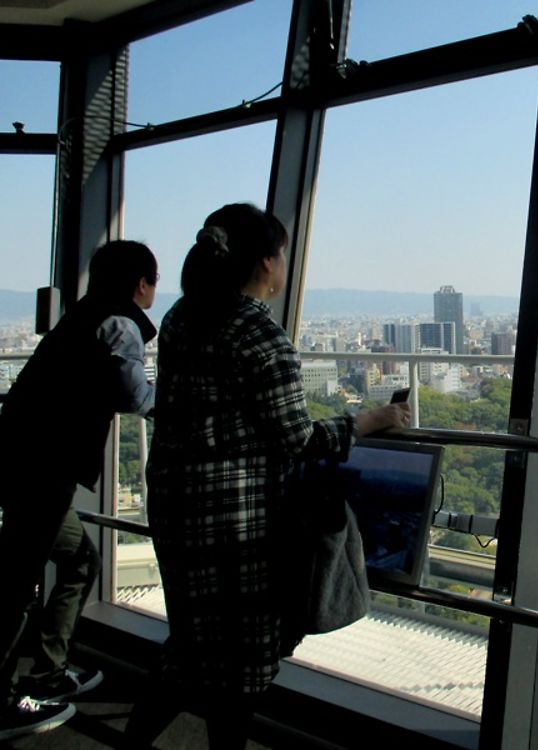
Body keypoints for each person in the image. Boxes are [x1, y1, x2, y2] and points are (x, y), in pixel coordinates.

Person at [125, 203, 409, 749]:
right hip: (236, 521)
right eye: (282, 256)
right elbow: (298, 438)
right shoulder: (259, 334)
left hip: (177, 503)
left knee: (190, 642)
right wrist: (372, 420)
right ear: (265, 263)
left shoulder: (181, 317)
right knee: (244, 658)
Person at [0, 240, 158, 740]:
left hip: (21, 461)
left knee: (77, 560)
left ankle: (47, 669)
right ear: (140, 285)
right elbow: (136, 395)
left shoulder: (80, 318)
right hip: (44, 471)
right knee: (16, 580)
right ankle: (3, 701)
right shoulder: (120, 323)